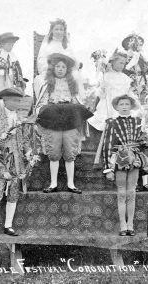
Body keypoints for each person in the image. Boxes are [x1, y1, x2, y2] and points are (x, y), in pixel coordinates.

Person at [34, 53, 92, 194]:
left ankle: (71, 184)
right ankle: (53, 184)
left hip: (69, 119)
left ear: (67, 69)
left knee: (69, 151)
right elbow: (42, 103)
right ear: (53, 68)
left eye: (63, 67)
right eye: (58, 66)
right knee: (53, 152)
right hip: (53, 119)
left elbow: (77, 101)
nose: (60, 69)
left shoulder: (72, 85)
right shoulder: (47, 84)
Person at [0, 87, 35, 239]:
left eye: (19, 100)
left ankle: (8, 225)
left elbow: (24, 140)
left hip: (16, 162)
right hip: (0, 159)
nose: (18, 103)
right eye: (15, 100)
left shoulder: (20, 120)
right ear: (5, 100)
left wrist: (29, 153)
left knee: (13, 192)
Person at [102, 94, 148, 236]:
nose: (124, 107)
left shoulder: (138, 121)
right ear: (117, 107)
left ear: (131, 106)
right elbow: (107, 145)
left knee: (132, 192)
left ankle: (131, 225)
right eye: (121, 104)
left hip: (134, 159)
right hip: (120, 159)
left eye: (127, 104)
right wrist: (108, 168)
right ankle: (123, 225)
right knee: (122, 192)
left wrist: (146, 140)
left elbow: (143, 141)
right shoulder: (112, 123)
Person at [88, 51, 133, 131]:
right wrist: (103, 88)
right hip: (108, 103)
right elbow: (101, 94)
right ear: (113, 62)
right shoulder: (107, 76)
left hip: (121, 104)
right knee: (107, 123)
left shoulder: (125, 78)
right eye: (120, 63)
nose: (122, 66)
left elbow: (127, 93)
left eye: (124, 64)